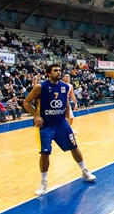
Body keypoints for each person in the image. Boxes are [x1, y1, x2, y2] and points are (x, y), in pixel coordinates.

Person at [23, 63, 96, 196]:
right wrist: (36, 115)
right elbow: (26, 102)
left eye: (59, 70)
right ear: (48, 73)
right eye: (55, 70)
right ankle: (43, 181)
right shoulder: (40, 87)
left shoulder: (65, 87)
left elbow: (66, 103)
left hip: (61, 123)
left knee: (74, 146)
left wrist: (68, 118)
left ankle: (84, 171)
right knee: (45, 153)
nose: (58, 72)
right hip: (46, 126)